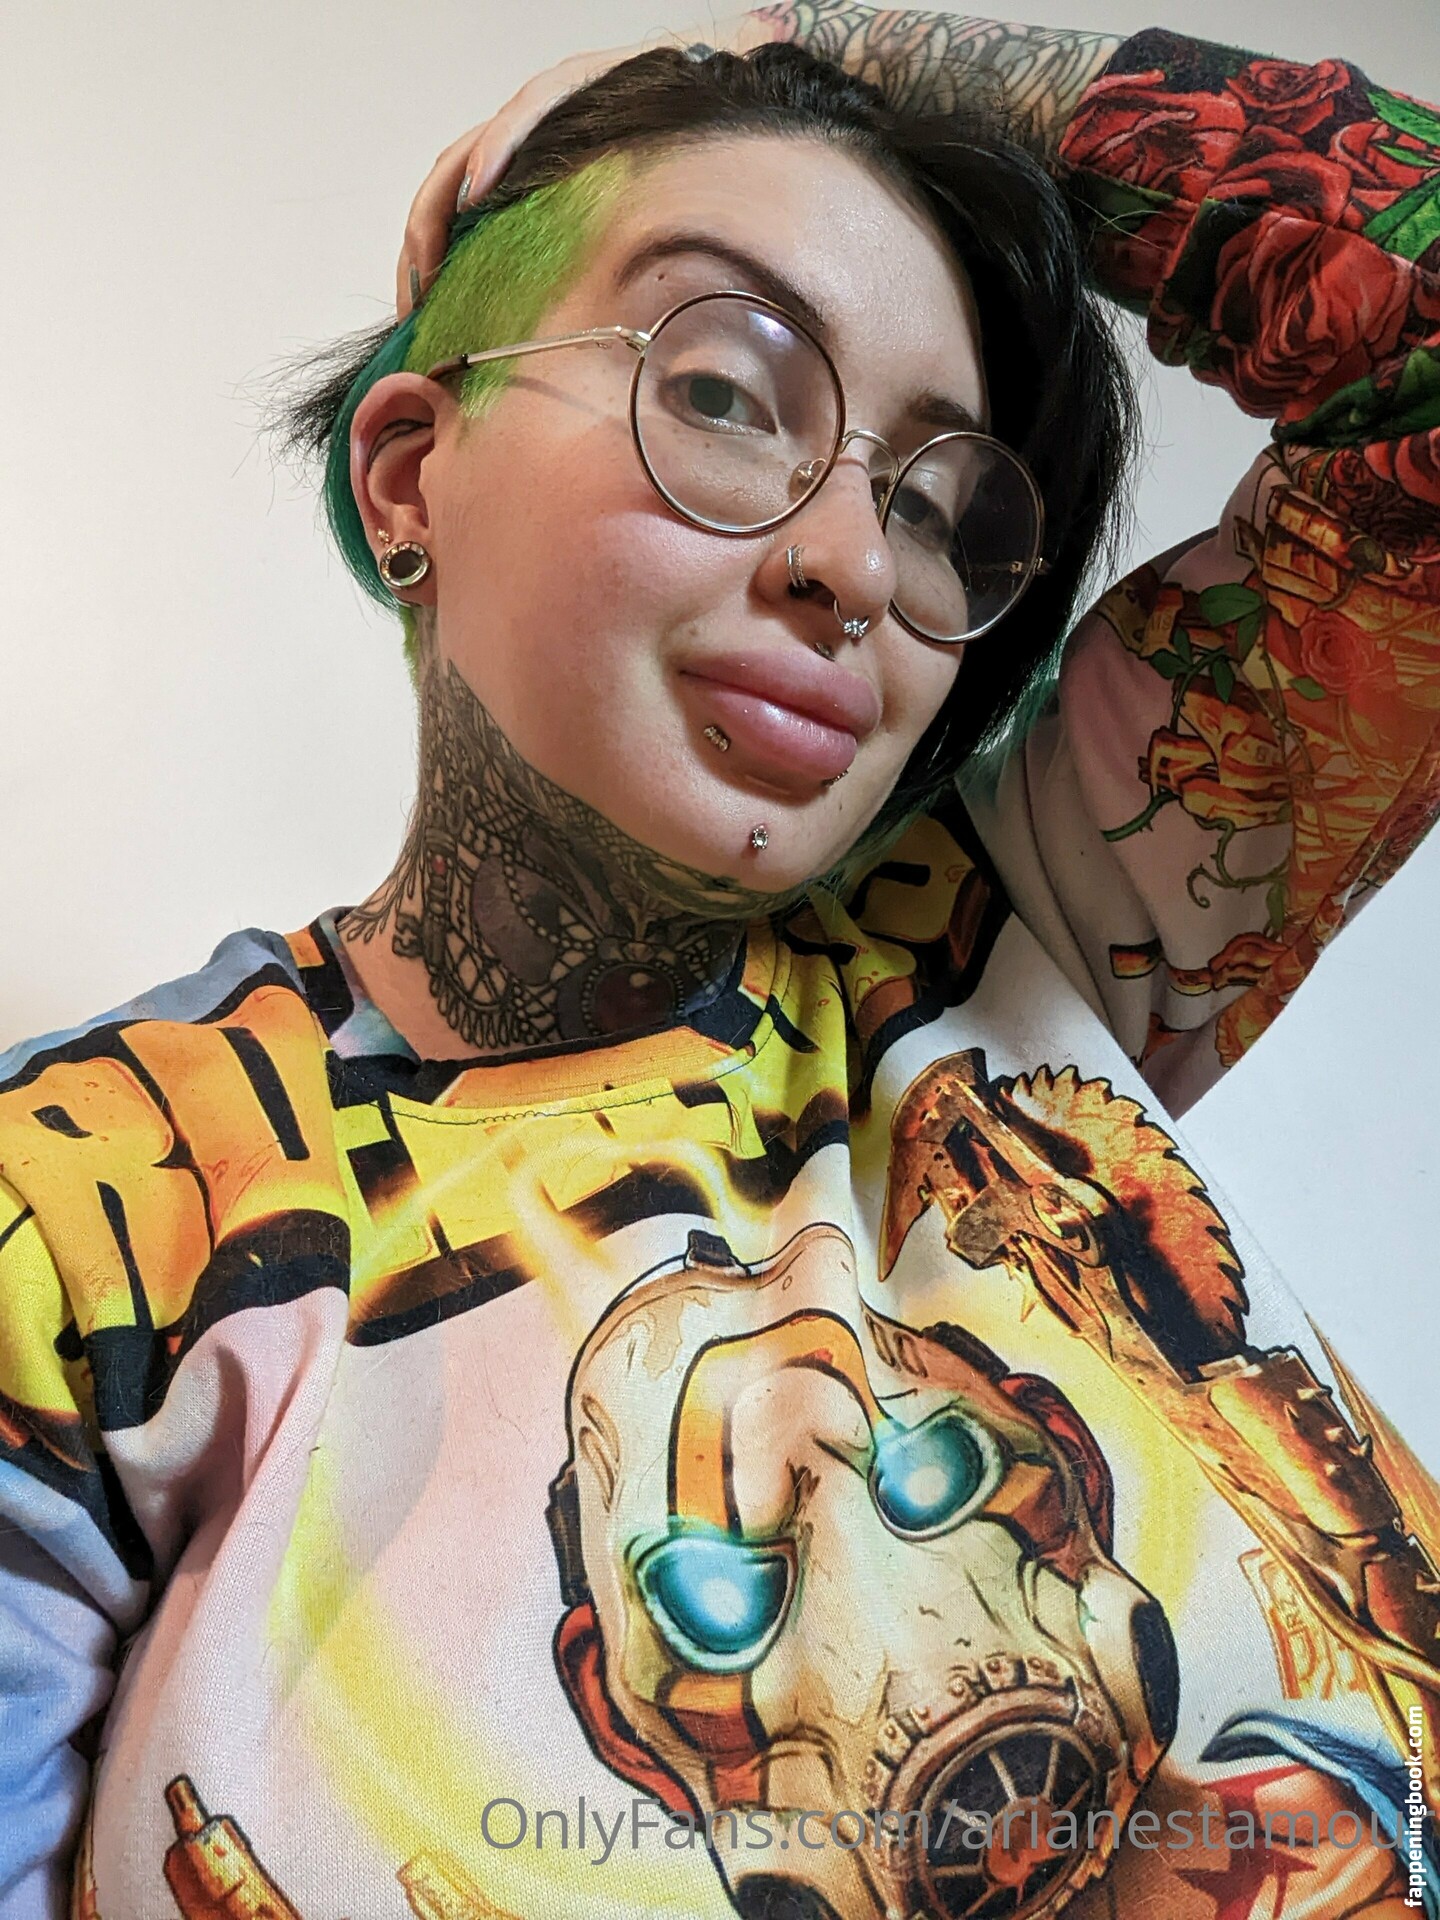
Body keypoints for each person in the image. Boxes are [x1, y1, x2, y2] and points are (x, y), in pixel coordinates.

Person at [1, 6, 1437, 1918]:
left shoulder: (1018, 935)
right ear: (412, 473)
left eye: (938, 505)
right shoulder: (88, 1209)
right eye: (727, 390)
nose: (857, 562)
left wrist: (828, 44)